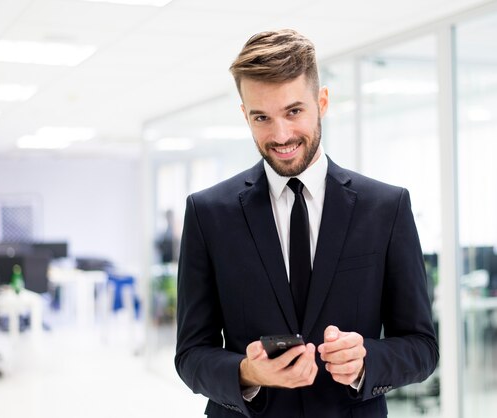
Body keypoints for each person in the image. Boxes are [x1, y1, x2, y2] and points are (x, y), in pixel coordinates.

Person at [175, 29, 438, 418]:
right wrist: (246, 372)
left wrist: (366, 360)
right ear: (244, 115)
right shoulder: (208, 213)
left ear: (322, 102)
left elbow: (422, 347)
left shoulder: (386, 207)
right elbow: (191, 354)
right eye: (262, 117)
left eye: (294, 111)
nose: (280, 135)